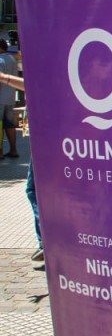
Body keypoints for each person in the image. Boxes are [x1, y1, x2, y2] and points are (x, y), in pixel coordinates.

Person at [0, 67, 38, 263]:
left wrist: (4, 78)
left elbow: (34, 86)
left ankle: (45, 243)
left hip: (45, 141)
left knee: (34, 190)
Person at [0, 39, 20, 158]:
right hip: (10, 98)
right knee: (10, 124)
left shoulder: (0, 60)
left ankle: (0, 152)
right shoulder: (12, 59)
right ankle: (13, 150)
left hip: (0, 98)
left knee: (0, 124)